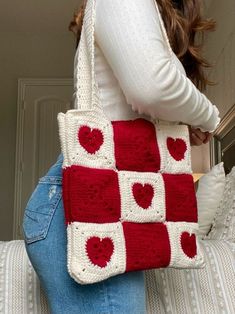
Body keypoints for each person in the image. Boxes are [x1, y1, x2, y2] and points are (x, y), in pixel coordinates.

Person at [22, 0, 220, 313]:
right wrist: (209, 115)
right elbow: (153, 87)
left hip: (101, 201)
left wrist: (181, 120)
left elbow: (143, 97)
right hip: (88, 203)